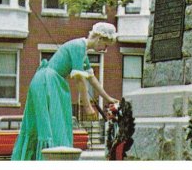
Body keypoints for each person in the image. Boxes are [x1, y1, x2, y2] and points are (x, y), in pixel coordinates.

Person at [11, 22, 119, 160]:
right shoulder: (78, 47)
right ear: (99, 38)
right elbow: (80, 79)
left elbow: (92, 78)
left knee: (55, 123)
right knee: (50, 124)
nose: (105, 49)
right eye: (106, 45)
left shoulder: (82, 51)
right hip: (47, 82)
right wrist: (87, 107)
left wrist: (108, 98)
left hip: (51, 82)